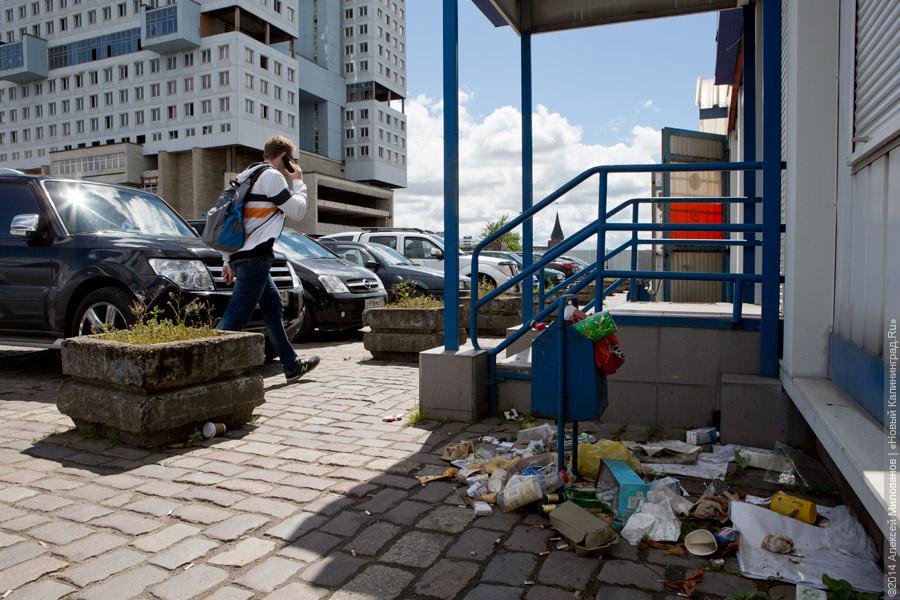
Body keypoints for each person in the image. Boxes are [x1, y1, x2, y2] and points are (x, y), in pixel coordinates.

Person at [217, 135, 320, 383]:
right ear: (284, 157)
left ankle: (291, 364)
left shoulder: (247, 175)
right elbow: (297, 211)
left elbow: (232, 220)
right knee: (235, 317)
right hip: (256, 258)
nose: (293, 164)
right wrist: (299, 183)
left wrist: (227, 259)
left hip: (243, 255)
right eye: (291, 159)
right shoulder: (272, 176)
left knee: (273, 307)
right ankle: (205, 369)